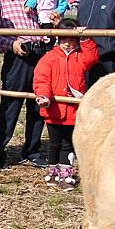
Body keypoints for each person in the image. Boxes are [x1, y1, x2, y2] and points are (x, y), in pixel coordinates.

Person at [0, 0, 50, 171]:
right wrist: (12, 44)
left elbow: (52, 26)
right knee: (10, 106)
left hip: (41, 54)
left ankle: (32, 150)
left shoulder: (40, 0)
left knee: (38, 104)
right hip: (17, 57)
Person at [33, 19, 99, 190]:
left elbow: (92, 57)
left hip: (73, 110)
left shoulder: (80, 57)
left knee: (68, 144)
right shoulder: (49, 58)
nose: (67, 44)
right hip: (53, 110)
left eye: (72, 40)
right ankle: (53, 171)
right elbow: (41, 79)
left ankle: (66, 174)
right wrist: (43, 96)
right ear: (57, 39)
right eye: (64, 40)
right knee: (54, 143)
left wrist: (85, 38)